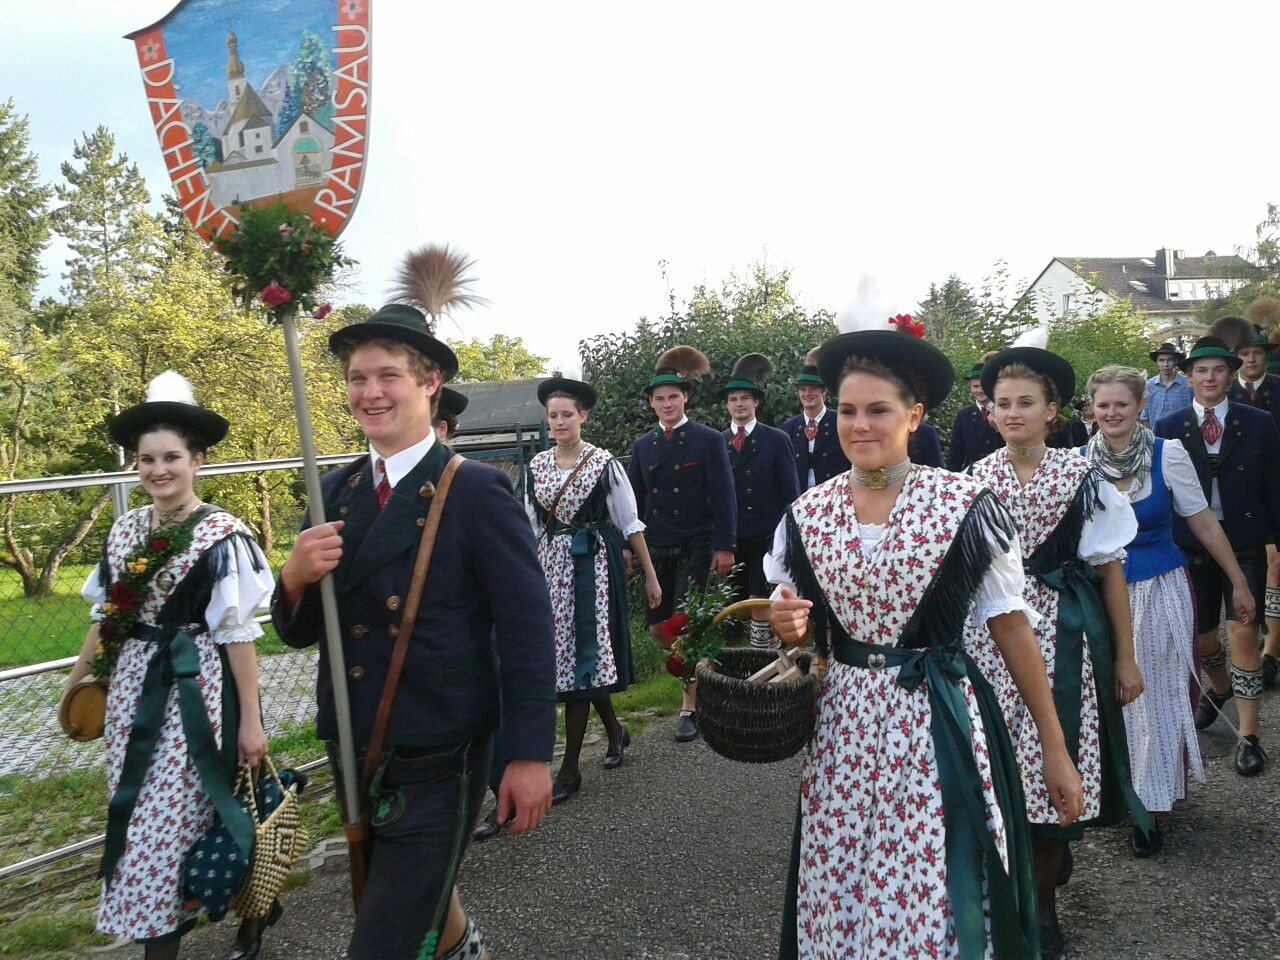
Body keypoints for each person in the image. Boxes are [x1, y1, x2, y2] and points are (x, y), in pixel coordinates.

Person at [768, 318, 1083, 960]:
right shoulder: (808, 514)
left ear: (913, 416)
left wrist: (1055, 748)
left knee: (935, 878)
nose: (859, 425)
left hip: (937, 718)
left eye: (878, 410)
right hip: (844, 729)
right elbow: (797, 632)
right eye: (848, 410)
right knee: (841, 871)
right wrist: (785, 625)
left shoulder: (965, 504)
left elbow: (1010, 625)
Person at [271, 293, 556, 960]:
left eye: (387, 376)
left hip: (442, 748)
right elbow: (302, 632)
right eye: (356, 378)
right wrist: (294, 578)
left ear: (430, 383)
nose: (369, 393)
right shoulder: (335, 492)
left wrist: (529, 755)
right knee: (409, 901)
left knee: (383, 939)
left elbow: (526, 630)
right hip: (355, 742)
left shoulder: (476, 489)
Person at [58, 372, 275, 960]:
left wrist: (251, 722)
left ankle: (237, 917)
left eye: (172, 457)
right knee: (145, 818)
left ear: (197, 461)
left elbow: (237, 635)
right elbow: (106, 617)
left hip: (196, 692)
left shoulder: (222, 535)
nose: (159, 469)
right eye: (147, 459)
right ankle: (224, 911)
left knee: (200, 806)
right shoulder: (125, 529)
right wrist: (79, 683)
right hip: (131, 686)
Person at [967, 336, 1147, 959]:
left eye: (1025, 402)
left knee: (1057, 758)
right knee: (998, 764)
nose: (1012, 412)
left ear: (1054, 411)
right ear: (989, 412)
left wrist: (1124, 656)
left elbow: (1111, 568)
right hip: (991, 639)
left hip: (1065, 634)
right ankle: (1003, 891)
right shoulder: (972, 482)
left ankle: (1044, 902)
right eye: (1001, 403)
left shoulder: (1083, 475)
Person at [1082, 365, 1255, 856]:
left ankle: (1150, 808)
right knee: (1105, 698)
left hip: (1158, 586)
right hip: (1099, 593)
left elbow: (1202, 522)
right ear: (1092, 409)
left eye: (1121, 404)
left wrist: (1238, 582)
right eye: (1103, 404)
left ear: (1142, 406)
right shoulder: (1075, 463)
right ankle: (1116, 791)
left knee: (1151, 698)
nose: (1111, 413)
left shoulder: (1167, 454)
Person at [526, 376, 661, 802]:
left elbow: (629, 522)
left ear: (583, 416)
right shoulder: (537, 468)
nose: (560, 422)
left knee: (584, 658)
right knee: (569, 662)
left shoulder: (604, 464)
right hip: (552, 571)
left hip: (594, 572)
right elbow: (529, 529)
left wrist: (650, 575)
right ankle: (617, 731)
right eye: (553, 416)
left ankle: (569, 771)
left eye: (567, 414)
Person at [1154, 335, 1280, 777]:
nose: (1210, 378)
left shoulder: (1258, 421)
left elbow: (1274, 484)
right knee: (1204, 640)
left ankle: (1249, 737)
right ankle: (1220, 688)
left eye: (1218, 370)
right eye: (1201, 371)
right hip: (1190, 545)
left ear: (1231, 375)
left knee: (1244, 633)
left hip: (1245, 539)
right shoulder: (1168, 426)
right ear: (1189, 378)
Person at [627, 345, 735, 742]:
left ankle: (689, 706)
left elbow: (724, 494)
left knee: (684, 624)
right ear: (652, 404)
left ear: (684, 398)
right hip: (657, 547)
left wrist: (725, 545)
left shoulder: (707, 439)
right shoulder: (642, 447)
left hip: (697, 541)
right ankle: (707, 671)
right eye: (659, 399)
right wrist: (627, 546)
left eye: (673, 396)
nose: (667, 403)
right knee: (658, 627)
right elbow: (633, 502)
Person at [720, 354, 800, 648]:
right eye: (733, 399)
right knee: (734, 601)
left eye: (744, 398)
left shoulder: (776, 439)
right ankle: (739, 660)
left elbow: (790, 492)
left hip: (767, 533)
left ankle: (762, 655)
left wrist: (790, 535)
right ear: (727, 405)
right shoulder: (718, 442)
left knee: (759, 597)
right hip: (732, 536)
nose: (739, 404)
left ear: (756, 403)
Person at [1220, 305, 1280, 686]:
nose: (1252, 359)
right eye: (1245, 353)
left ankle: (1271, 649)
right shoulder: (1226, 392)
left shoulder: (1278, 388)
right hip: (1240, 494)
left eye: (1258, 353)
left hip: (1275, 486)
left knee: (1276, 565)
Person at [783, 348, 848, 489]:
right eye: (802, 389)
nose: (807, 393)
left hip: (834, 497)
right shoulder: (789, 427)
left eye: (813, 388)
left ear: (824, 391)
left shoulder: (840, 421)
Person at [945, 355, 1003, 471]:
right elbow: (955, 453)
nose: (980, 390)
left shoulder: (1004, 411)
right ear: (970, 388)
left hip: (1000, 474)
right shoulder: (964, 415)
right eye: (975, 386)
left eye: (983, 386)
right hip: (972, 477)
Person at [1138, 342, 1192, 424]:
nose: (1165, 364)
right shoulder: (1149, 385)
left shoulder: (1188, 385)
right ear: (1157, 362)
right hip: (1156, 435)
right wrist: (1151, 436)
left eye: (1170, 360)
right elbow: (1145, 415)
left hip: (1182, 435)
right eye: (1161, 360)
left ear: (1176, 361)